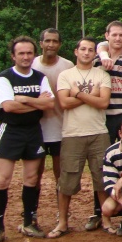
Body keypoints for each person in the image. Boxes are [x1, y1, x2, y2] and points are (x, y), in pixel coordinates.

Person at [0, 36, 55, 242]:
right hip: (11, 130)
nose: (26, 57)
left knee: (31, 179)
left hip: (33, 130)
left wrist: (26, 100)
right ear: (13, 56)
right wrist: (38, 103)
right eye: (21, 53)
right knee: (4, 179)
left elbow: (50, 105)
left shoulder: (40, 77)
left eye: (29, 53)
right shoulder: (5, 78)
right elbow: (8, 107)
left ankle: (29, 222)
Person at [48, 37, 112, 239]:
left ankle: (107, 220)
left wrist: (77, 94)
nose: (86, 53)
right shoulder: (65, 75)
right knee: (66, 180)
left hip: (98, 133)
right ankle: (63, 222)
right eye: (83, 49)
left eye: (91, 50)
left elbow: (103, 103)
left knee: (101, 178)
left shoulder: (101, 74)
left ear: (95, 54)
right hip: (72, 134)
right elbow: (64, 103)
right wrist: (89, 95)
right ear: (75, 51)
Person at [33, 28, 73, 223]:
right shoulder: (31, 65)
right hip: (36, 130)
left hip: (60, 127)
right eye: (47, 41)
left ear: (59, 44)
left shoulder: (67, 66)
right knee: (35, 174)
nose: (50, 44)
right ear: (40, 43)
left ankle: (62, 213)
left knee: (60, 174)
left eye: (54, 41)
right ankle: (31, 213)